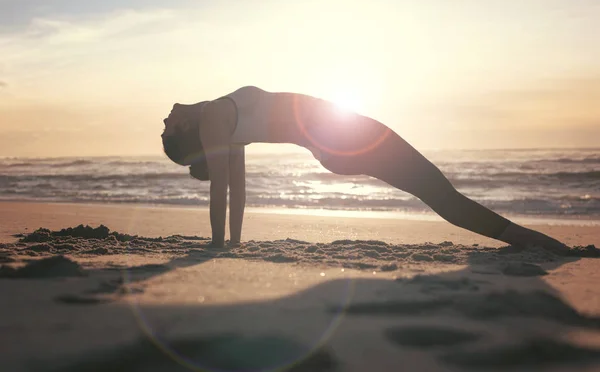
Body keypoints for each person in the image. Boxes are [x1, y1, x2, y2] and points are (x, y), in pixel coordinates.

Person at [161, 86, 568, 252]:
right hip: (339, 137)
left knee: (435, 191)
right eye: (166, 128)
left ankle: (531, 240)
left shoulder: (220, 119)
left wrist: (232, 243)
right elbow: (223, 190)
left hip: (335, 142)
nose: (164, 119)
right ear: (184, 130)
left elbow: (238, 188)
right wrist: (219, 246)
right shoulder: (214, 115)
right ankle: (541, 244)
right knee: (437, 191)